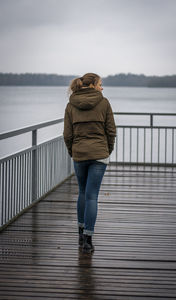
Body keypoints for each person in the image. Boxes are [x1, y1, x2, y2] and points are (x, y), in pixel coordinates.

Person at [63, 73, 116, 253]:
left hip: (79, 154)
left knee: (83, 193)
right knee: (92, 196)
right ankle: (88, 240)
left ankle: (80, 234)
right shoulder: (104, 103)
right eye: (100, 84)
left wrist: (73, 151)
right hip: (99, 154)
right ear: (93, 85)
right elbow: (111, 131)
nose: (102, 88)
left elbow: (67, 135)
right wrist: (107, 150)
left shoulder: (71, 105)